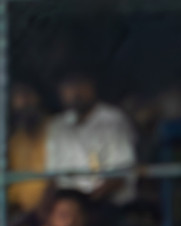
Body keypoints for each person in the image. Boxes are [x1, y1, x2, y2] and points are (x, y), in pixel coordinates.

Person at [44, 73, 137, 207]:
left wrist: (87, 203)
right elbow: (53, 177)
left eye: (80, 84)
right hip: (69, 205)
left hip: (109, 203)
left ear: (92, 87)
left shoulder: (113, 119)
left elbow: (121, 174)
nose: (75, 92)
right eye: (69, 86)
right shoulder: (57, 125)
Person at [7, 82, 49, 214]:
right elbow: (14, 188)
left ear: (39, 97)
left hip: (54, 210)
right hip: (23, 213)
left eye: (26, 94)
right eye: (16, 97)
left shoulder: (57, 130)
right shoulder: (15, 141)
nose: (22, 102)